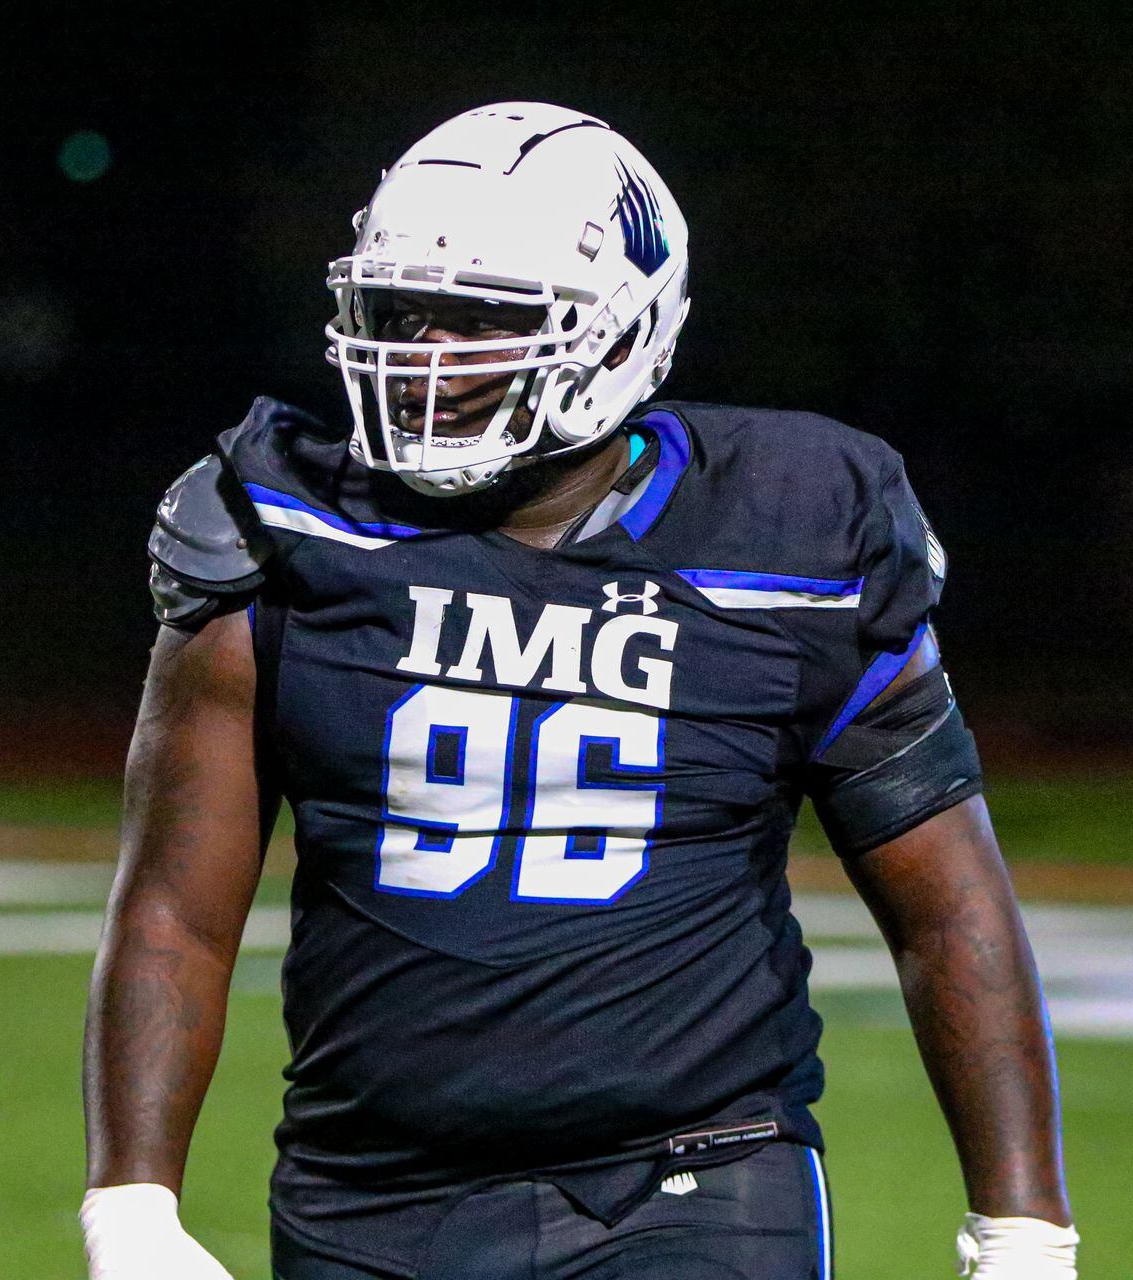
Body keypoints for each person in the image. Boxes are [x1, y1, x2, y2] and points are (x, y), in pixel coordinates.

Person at [81, 102, 1078, 1279]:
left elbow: (947, 903)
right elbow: (174, 909)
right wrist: (131, 1206)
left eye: (483, 321)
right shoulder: (283, 525)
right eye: (402, 314)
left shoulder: (792, 535)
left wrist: (1020, 1229)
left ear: (621, 335)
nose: (428, 359)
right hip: (368, 1193)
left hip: (690, 1176)